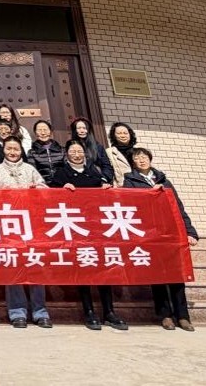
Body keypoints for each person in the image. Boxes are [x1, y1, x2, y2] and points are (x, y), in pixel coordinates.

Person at [53, 140, 127, 331]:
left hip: (96, 227)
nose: (76, 154)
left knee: (103, 268)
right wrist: (62, 190)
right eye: (72, 151)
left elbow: (104, 194)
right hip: (75, 228)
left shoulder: (94, 172)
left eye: (79, 151)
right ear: (67, 154)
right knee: (83, 268)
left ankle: (109, 312)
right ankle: (89, 311)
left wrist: (105, 189)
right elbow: (50, 197)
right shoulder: (61, 173)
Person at [122, 146, 199, 331]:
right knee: (157, 274)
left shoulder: (165, 180)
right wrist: (150, 194)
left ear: (150, 159)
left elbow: (178, 207)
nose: (141, 160)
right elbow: (130, 203)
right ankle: (165, 315)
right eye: (137, 158)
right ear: (133, 162)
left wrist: (190, 232)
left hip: (170, 232)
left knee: (176, 274)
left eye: (144, 157)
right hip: (149, 233)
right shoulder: (130, 181)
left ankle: (183, 316)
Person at [0, 136, 50, 328]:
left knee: (35, 265)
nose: (12, 152)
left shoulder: (30, 169)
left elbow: (46, 190)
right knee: (13, 267)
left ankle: (40, 312)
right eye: (9, 148)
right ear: (3, 150)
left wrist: (36, 189)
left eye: (16, 149)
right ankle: (17, 312)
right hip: (8, 225)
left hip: (31, 225)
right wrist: (0, 193)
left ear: (21, 151)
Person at [69, 117, 115, 185]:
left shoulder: (98, 147)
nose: (82, 131)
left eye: (84, 128)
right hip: (78, 182)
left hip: (98, 182)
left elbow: (107, 166)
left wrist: (104, 178)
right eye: (79, 128)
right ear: (74, 130)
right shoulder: (69, 147)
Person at [27, 120, 64, 187]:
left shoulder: (62, 150)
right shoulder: (31, 152)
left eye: (45, 130)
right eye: (39, 130)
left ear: (51, 131)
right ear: (35, 133)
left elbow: (66, 169)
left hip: (62, 186)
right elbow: (32, 172)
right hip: (42, 187)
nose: (43, 133)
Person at [105, 122, 138, 190]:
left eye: (125, 133)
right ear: (114, 135)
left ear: (130, 134)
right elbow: (108, 172)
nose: (123, 136)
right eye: (119, 133)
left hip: (141, 188)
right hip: (122, 190)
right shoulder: (109, 152)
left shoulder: (138, 152)